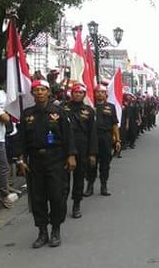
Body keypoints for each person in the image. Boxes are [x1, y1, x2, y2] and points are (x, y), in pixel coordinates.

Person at [16, 80, 77, 248]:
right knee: (38, 198)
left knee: (57, 196)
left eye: (42, 90)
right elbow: (21, 140)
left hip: (56, 159)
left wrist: (71, 156)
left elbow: (68, 136)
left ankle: (56, 230)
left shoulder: (59, 112)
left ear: (48, 92)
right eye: (36, 90)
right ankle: (42, 231)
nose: (39, 93)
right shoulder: (27, 114)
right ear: (32, 93)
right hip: (35, 161)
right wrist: (21, 160)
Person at [61, 84, 97, 218]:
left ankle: (77, 204)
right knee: (63, 179)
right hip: (65, 147)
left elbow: (93, 133)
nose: (78, 95)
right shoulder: (62, 108)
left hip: (82, 147)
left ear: (84, 95)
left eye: (81, 93)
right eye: (75, 92)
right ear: (71, 93)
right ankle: (62, 205)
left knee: (79, 178)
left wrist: (92, 153)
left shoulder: (89, 110)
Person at [85, 84, 121, 197]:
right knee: (91, 163)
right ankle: (90, 186)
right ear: (94, 94)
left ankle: (104, 185)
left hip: (105, 137)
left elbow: (115, 124)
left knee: (105, 163)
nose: (99, 94)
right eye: (97, 92)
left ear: (106, 94)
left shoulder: (111, 107)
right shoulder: (89, 106)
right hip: (92, 138)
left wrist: (118, 140)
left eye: (102, 92)